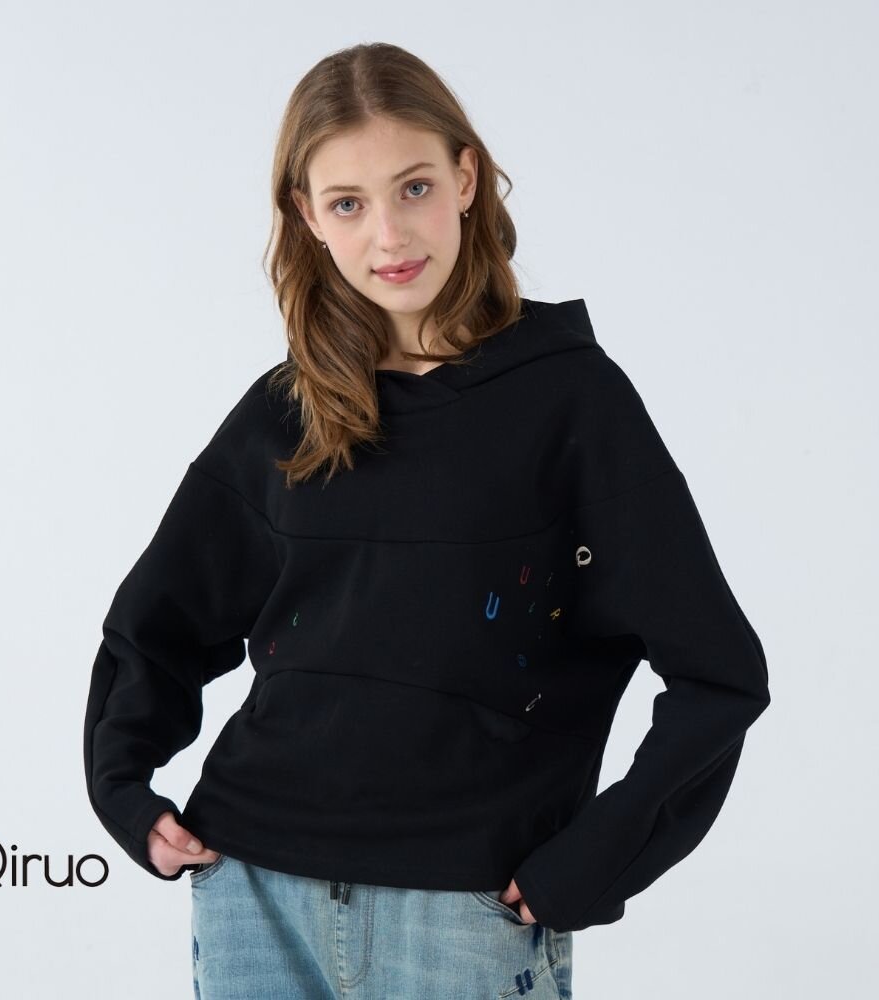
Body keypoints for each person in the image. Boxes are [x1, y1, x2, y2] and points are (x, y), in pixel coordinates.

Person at [83, 41, 770, 1000]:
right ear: (307, 216)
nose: (390, 234)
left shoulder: (571, 402)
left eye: (414, 187)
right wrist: (123, 787)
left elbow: (719, 674)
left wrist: (598, 859)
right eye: (348, 203)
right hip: (251, 887)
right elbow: (158, 621)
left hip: (465, 909)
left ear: (466, 178)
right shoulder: (287, 409)